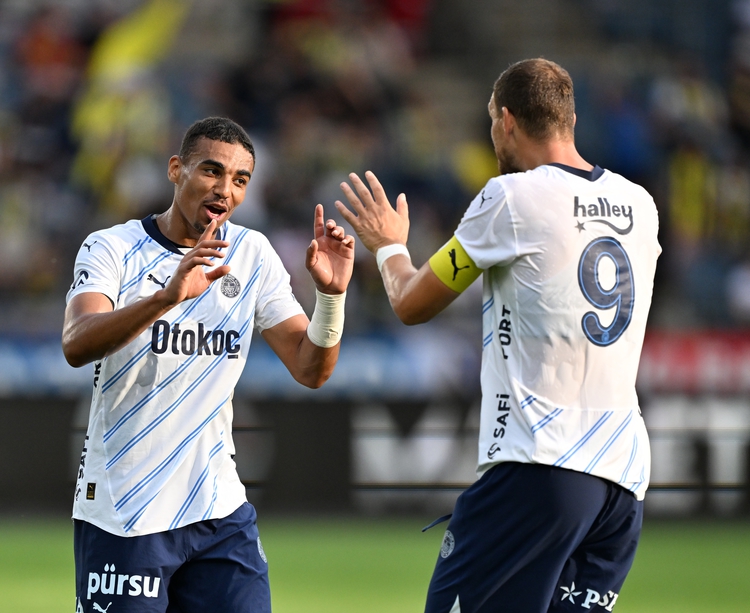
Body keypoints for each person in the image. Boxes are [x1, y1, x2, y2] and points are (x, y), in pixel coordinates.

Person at [335, 59, 660, 613]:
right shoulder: (640, 204)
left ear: (505, 121)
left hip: (540, 468)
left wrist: (388, 244)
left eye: (490, 122)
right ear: (571, 118)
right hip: (622, 480)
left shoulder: (510, 198)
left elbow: (411, 303)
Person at [62, 116, 354, 613]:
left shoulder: (253, 254)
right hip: (125, 511)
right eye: (211, 172)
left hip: (218, 510)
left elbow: (310, 369)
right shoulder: (112, 247)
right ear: (177, 169)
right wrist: (167, 297)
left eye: (240, 180)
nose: (225, 190)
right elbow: (76, 342)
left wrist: (331, 298)